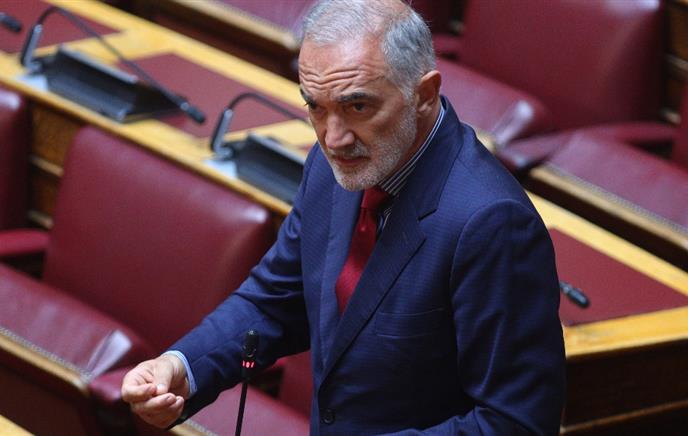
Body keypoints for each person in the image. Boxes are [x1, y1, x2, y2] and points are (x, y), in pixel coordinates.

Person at [121, 0, 565, 433]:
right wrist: (182, 367)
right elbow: (277, 299)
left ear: (424, 95)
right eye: (315, 106)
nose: (332, 138)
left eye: (357, 106)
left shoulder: (491, 223)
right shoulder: (332, 166)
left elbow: (515, 422)